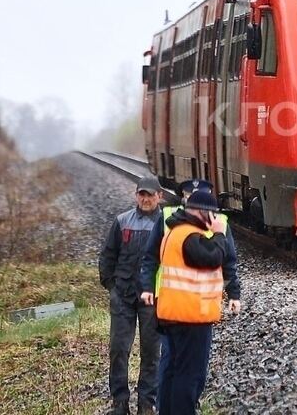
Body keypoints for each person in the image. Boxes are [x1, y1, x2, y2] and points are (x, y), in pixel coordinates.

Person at [147, 190, 238, 415]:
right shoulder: (190, 235)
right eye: (212, 214)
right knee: (190, 375)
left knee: (173, 372)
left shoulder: (175, 231)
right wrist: (218, 234)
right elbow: (213, 257)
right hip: (190, 316)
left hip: (173, 314)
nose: (215, 220)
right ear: (201, 212)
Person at [99, 176, 164, 415]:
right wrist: (111, 285)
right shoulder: (122, 221)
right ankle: (120, 403)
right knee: (118, 349)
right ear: (136, 195)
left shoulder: (167, 224)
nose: (145, 199)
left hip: (152, 298)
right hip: (123, 296)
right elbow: (108, 255)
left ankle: (146, 403)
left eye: (150, 195)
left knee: (151, 352)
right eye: (141, 194)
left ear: (160, 196)